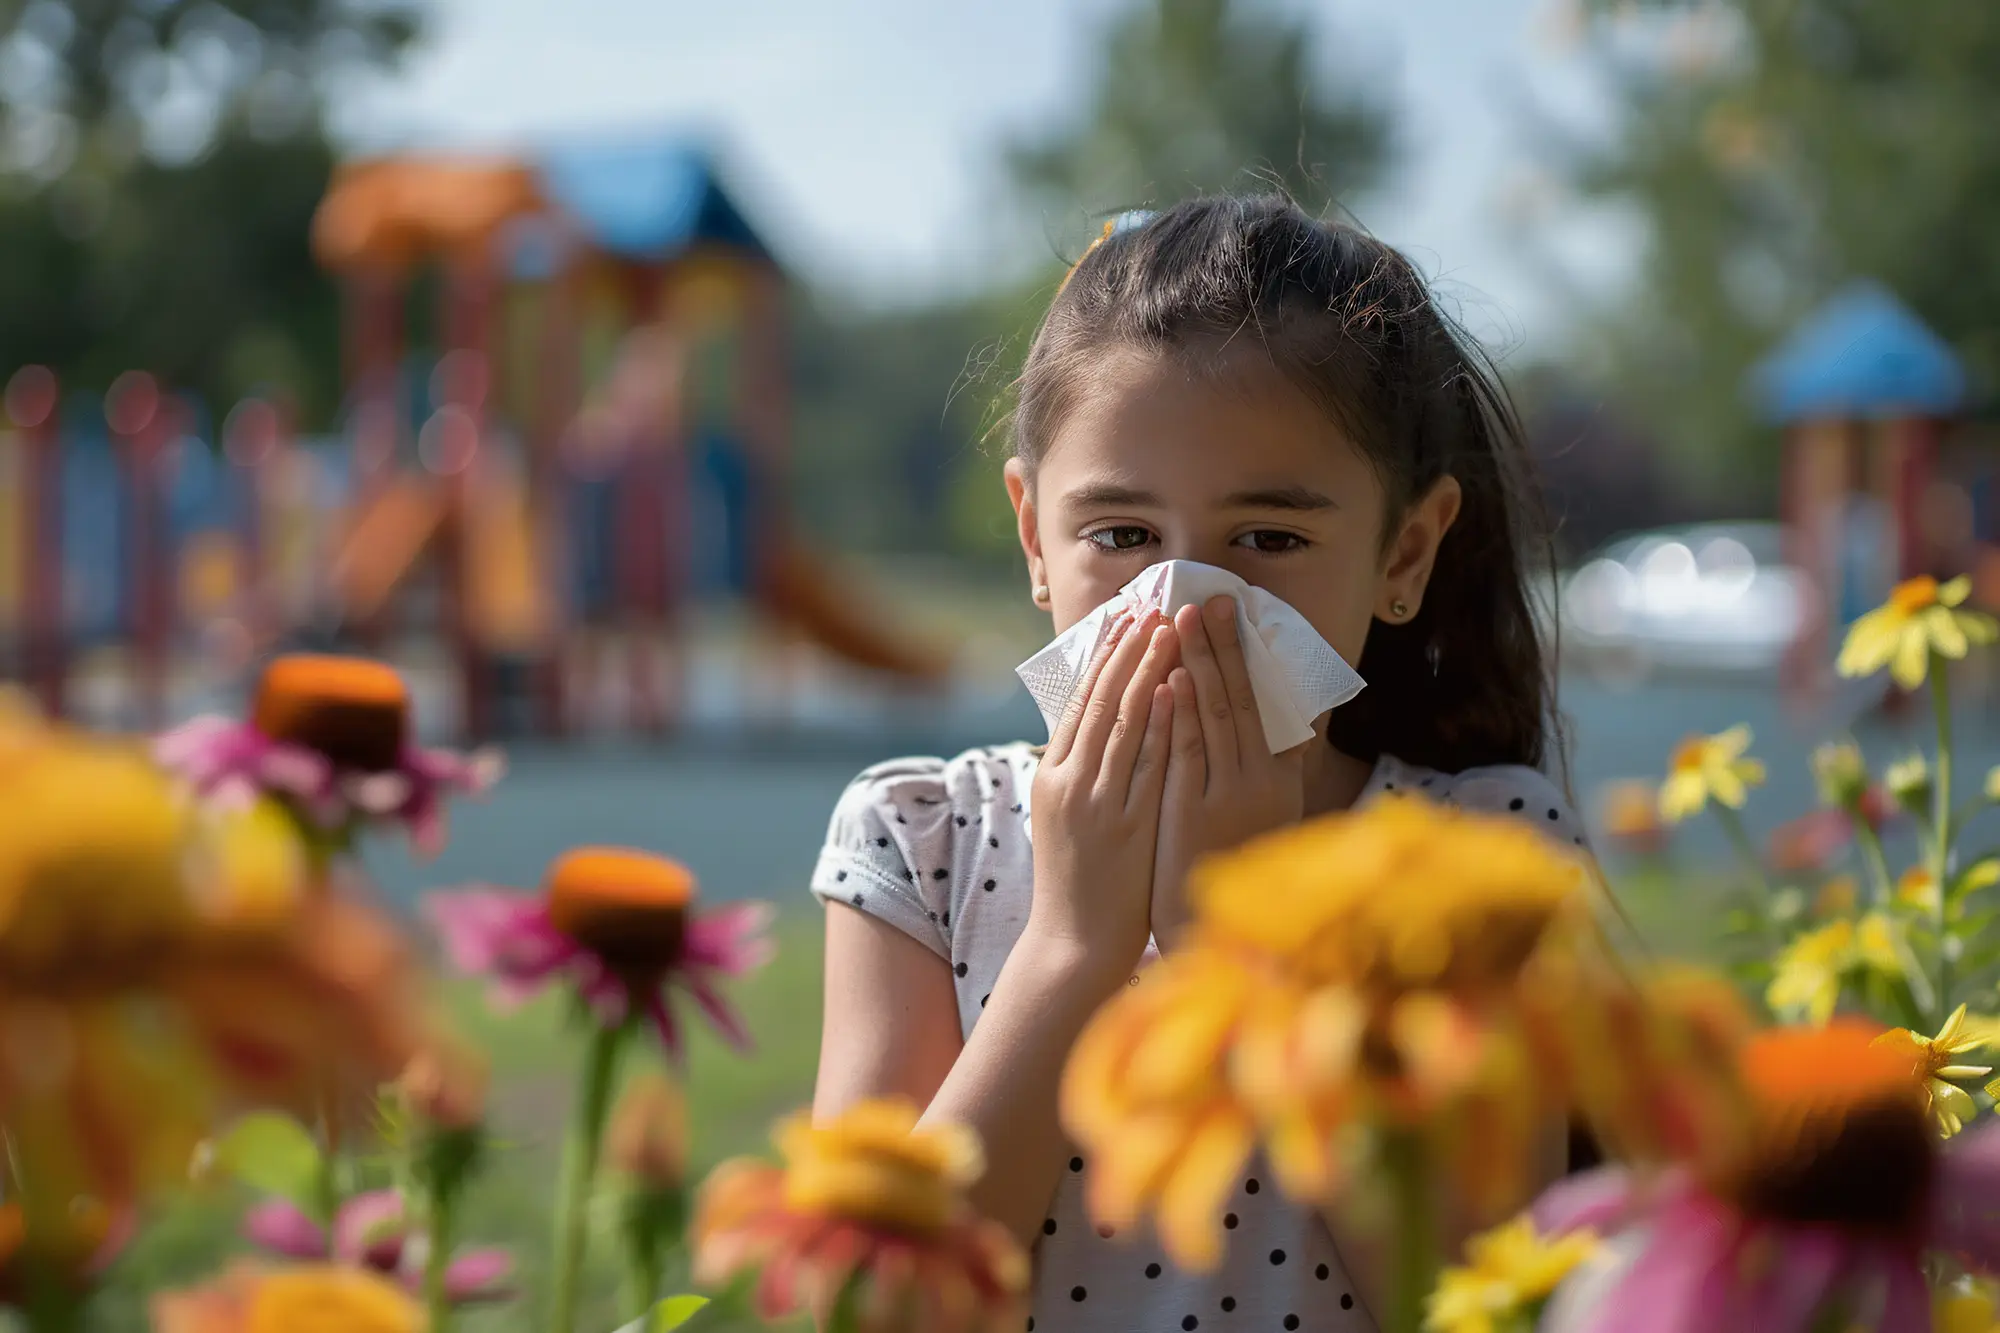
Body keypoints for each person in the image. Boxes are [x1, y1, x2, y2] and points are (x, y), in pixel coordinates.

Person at [808, 196, 1588, 1332]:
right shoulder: (921, 840)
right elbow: (867, 1306)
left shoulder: (1479, 855)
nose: (1179, 602)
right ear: (1034, 537)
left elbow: (1491, 1303)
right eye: (1119, 536)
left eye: (1267, 540)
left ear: (1403, 552)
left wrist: (1255, 951)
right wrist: (1072, 948)